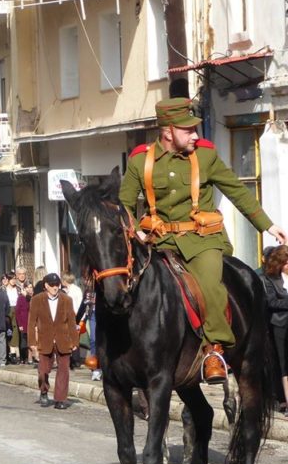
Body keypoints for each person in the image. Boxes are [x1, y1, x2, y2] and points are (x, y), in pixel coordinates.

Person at [120, 97, 287, 384]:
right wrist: (134, 231)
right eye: (188, 130)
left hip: (203, 240)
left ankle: (214, 349)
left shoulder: (205, 157)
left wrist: (268, 225)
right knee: (127, 286)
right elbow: (123, 204)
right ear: (168, 132)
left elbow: (237, 191)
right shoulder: (140, 161)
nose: (195, 135)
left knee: (210, 284)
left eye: (195, 129)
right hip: (159, 242)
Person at [27, 273, 79, 410]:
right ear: (46, 286)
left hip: (63, 339)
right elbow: (31, 322)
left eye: (57, 285)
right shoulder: (37, 300)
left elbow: (72, 322)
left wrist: (75, 342)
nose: (55, 287)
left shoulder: (67, 300)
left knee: (63, 370)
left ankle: (60, 399)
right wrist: (32, 342)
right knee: (43, 371)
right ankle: (44, 391)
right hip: (45, 339)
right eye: (52, 285)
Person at [262, 245, 288, 413]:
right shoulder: (269, 279)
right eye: (286, 262)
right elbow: (271, 302)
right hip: (281, 325)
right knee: (284, 364)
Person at [15, 281, 35, 364]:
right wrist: (19, 324)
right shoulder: (21, 297)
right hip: (24, 321)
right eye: (28, 287)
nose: (30, 289)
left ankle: (30, 357)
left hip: (32, 322)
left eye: (31, 287)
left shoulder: (33, 297)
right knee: (24, 341)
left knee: (31, 340)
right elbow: (17, 311)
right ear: (25, 288)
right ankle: (24, 357)